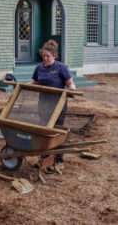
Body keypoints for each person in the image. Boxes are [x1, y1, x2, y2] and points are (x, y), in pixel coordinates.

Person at [31, 40, 76, 170]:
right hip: (43, 104)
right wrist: (22, 87)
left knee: (57, 132)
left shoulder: (61, 68)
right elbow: (36, 82)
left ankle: (59, 161)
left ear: (54, 56)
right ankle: (44, 160)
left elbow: (70, 84)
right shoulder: (39, 67)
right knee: (44, 132)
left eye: (48, 56)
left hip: (58, 105)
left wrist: (71, 89)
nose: (45, 58)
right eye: (43, 56)